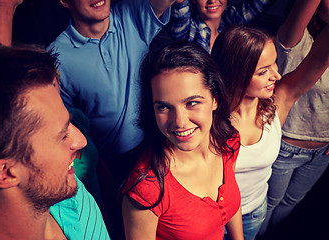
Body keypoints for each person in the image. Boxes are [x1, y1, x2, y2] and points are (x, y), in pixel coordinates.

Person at [0, 44, 110, 240]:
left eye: (69, 123)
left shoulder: (70, 193)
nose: (81, 141)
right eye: (62, 135)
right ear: (6, 173)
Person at [210, 22, 329, 240]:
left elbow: (318, 59)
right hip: (209, 217)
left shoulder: (277, 103)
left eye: (274, 64)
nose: (277, 75)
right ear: (236, 73)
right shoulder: (207, 114)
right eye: (263, 71)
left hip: (253, 213)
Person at [47, 0, 178, 186]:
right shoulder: (55, 58)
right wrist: (108, 188)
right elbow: (74, 132)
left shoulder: (129, 15)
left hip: (162, 142)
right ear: (65, 2)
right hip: (115, 166)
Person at [122, 41, 244, 240]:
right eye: (163, 107)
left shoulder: (229, 142)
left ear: (215, 99)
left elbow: (231, 201)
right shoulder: (147, 189)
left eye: (191, 103)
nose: (179, 122)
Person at [259, 0, 329, 236]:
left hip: (322, 152)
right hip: (286, 145)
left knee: (290, 204)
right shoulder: (294, 40)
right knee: (268, 203)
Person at [167, 0, 276, 53]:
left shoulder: (231, 21)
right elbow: (179, 10)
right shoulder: (187, 31)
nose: (212, 1)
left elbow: (259, 4)